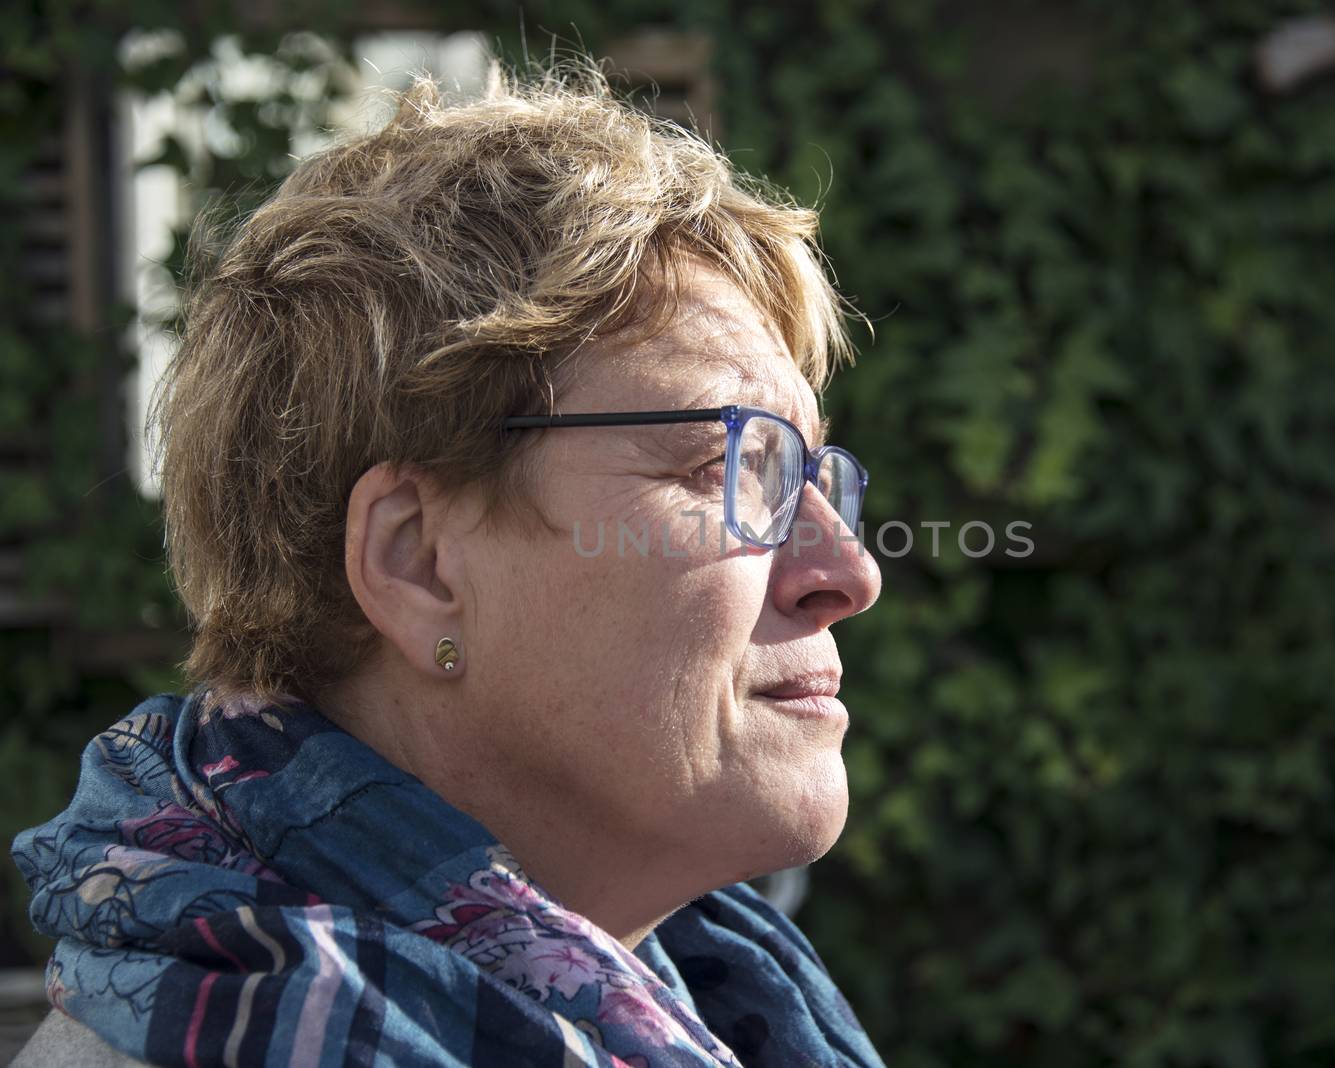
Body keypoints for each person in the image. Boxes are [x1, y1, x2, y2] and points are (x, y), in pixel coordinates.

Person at [11, 61, 884, 1067]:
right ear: (418, 562)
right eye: (718, 468)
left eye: (811, 474)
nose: (844, 570)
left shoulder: (707, 1001)